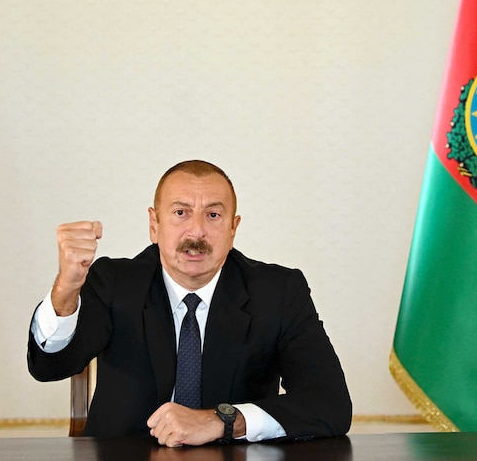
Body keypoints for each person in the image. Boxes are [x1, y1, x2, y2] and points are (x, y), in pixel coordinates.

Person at [27, 160, 351, 447]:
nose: (196, 231)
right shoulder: (114, 282)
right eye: (181, 213)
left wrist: (223, 421)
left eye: (213, 215)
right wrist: (66, 289)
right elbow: (50, 366)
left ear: (233, 228)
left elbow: (330, 405)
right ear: (154, 225)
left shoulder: (279, 292)